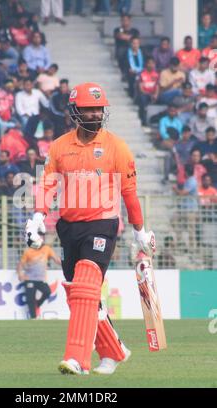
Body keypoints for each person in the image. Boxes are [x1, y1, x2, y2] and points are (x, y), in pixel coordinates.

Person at [24, 82, 156, 375]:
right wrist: (36, 217)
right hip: (69, 226)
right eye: (89, 109)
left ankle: (77, 359)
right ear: (74, 112)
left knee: (84, 284)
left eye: (99, 108)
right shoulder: (59, 146)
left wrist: (139, 230)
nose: (95, 114)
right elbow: (46, 184)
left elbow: (130, 192)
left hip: (102, 224)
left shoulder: (117, 146)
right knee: (80, 295)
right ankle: (114, 351)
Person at [16, 235, 61, 319]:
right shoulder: (28, 251)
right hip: (29, 279)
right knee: (30, 299)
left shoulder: (47, 249)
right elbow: (20, 264)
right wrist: (20, 274)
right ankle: (33, 318)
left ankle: (37, 304)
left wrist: (66, 264)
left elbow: (56, 259)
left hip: (41, 280)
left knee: (47, 291)